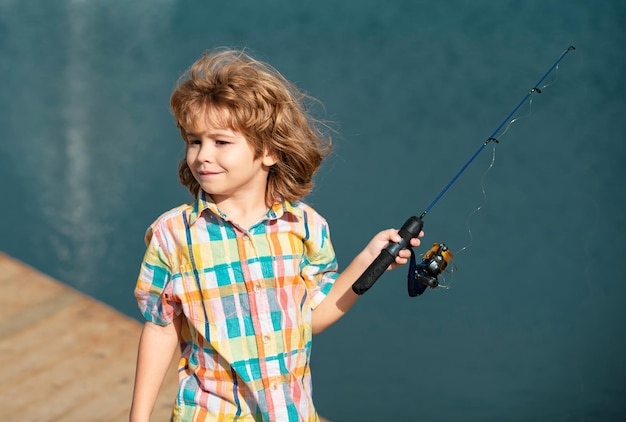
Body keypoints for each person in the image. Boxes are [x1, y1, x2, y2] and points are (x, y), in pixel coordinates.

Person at [130, 48, 422, 422]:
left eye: (221, 142)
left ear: (268, 150)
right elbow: (160, 327)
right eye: (194, 140)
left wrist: (368, 260)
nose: (202, 155)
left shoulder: (305, 227)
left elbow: (310, 320)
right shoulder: (173, 234)